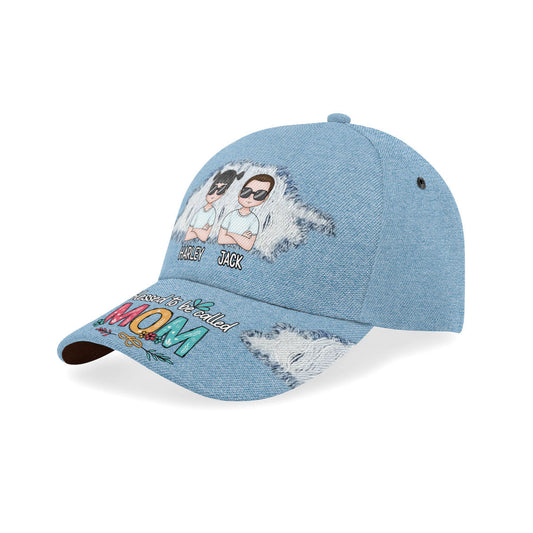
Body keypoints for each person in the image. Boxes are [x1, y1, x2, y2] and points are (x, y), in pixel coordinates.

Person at [218, 174, 275, 251]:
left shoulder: (254, 220)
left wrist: (230, 234)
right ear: (240, 193)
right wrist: (242, 238)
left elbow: (248, 246)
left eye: (259, 194)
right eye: (247, 191)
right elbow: (221, 239)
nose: (250, 197)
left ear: (265, 198)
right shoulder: (231, 215)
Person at [185, 169, 243, 242]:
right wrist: (198, 231)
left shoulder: (213, 213)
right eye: (213, 189)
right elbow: (188, 236)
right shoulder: (200, 211)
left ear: (225, 192)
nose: (214, 193)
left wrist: (195, 231)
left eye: (220, 190)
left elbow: (203, 236)